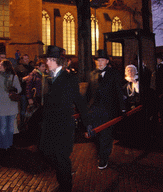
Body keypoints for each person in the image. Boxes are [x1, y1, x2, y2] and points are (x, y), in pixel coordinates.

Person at [39, 45, 88, 192]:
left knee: (61, 158)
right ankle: (64, 174)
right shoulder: (48, 78)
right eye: (47, 59)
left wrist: (88, 123)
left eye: (49, 59)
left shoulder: (69, 78)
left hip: (63, 126)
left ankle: (66, 186)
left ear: (56, 61)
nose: (47, 62)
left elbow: (79, 101)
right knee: (45, 151)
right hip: (49, 125)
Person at [86, 49, 126, 170]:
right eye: (98, 60)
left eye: (102, 60)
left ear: (107, 61)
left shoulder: (114, 74)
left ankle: (104, 158)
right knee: (96, 136)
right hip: (94, 111)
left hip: (108, 111)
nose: (100, 63)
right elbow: (88, 93)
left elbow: (119, 92)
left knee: (106, 136)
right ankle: (101, 153)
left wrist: (123, 109)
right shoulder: (91, 74)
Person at [0, 59, 21, 152]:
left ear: (6, 66)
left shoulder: (13, 77)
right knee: (3, 127)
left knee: (11, 127)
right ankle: (4, 146)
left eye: (1, 65)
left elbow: (19, 89)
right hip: (0, 105)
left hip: (11, 104)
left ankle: (10, 144)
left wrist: (15, 89)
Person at [24, 59, 50, 144]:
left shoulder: (44, 75)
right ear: (38, 67)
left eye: (44, 66)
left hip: (43, 99)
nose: (43, 68)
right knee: (34, 117)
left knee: (41, 118)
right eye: (42, 66)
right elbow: (28, 87)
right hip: (36, 99)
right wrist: (29, 98)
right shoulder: (33, 75)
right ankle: (33, 136)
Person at [14, 54, 34, 129]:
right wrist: (23, 79)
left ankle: (29, 124)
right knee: (23, 109)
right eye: (24, 59)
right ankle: (22, 124)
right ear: (22, 59)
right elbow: (16, 79)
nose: (26, 60)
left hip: (30, 91)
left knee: (30, 109)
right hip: (22, 91)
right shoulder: (18, 68)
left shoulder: (31, 68)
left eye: (27, 59)